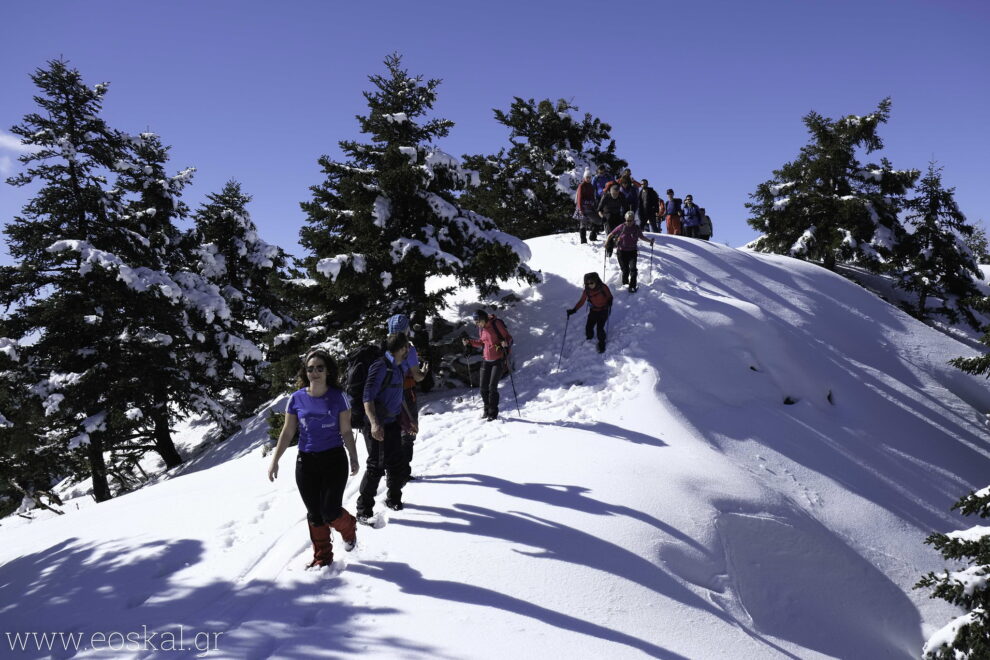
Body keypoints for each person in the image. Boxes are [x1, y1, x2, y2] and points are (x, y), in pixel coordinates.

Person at [268, 349, 359, 568]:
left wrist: (353, 457)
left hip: (334, 460)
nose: (315, 372)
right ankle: (322, 558)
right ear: (305, 372)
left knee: (330, 510)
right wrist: (275, 459)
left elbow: (346, 431)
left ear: (328, 371)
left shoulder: (338, 397)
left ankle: (349, 528)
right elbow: (288, 432)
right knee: (315, 514)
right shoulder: (296, 398)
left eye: (319, 368)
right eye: (310, 369)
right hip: (306, 462)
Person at [356, 332, 412, 521]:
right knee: (376, 467)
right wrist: (374, 423)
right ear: (401, 347)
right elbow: (367, 397)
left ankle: (394, 499)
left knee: (396, 463)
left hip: (393, 423)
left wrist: (407, 420)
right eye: (406, 347)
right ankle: (363, 510)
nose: (408, 350)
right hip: (377, 425)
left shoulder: (397, 367)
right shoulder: (381, 366)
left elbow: (397, 397)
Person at [385, 314, 429, 481]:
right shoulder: (408, 349)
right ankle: (403, 471)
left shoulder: (386, 346)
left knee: (392, 430)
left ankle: (391, 471)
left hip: (388, 395)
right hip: (405, 392)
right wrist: (424, 370)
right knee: (408, 430)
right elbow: (417, 376)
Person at [461, 310, 512, 421]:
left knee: (492, 387)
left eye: (478, 321)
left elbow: (509, 338)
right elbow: (482, 342)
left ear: (483, 319)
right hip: (486, 360)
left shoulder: (496, 324)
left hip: (497, 360)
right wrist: (470, 342)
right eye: (475, 322)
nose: (477, 324)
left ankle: (493, 413)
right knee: (483, 388)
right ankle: (487, 409)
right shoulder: (481, 328)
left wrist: (506, 343)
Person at [606, 211, 654, 292]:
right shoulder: (621, 227)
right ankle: (625, 285)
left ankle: (632, 286)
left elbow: (641, 237)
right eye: (627, 220)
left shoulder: (636, 228)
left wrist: (650, 241)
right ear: (625, 219)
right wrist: (607, 242)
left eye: (631, 220)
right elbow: (611, 234)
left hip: (632, 252)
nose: (629, 222)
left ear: (633, 220)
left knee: (633, 269)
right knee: (625, 270)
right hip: (621, 252)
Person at [567, 272, 613, 353]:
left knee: (600, 328)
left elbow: (610, 296)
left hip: (604, 310)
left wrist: (610, 301)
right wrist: (574, 310)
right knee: (588, 327)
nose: (589, 285)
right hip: (594, 310)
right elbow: (581, 301)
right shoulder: (587, 291)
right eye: (587, 283)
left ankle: (602, 343)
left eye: (591, 283)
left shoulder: (603, 287)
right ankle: (589, 338)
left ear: (596, 281)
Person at [574, 172, 599, 243]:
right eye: (587, 177)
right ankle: (583, 240)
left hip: (590, 206)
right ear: (584, 177)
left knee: (598, 220)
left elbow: (592, 197)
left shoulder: (591, 186)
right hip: (582, 206)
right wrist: (580, 209)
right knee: (583, 222)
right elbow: (579, 198)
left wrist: (594, 204)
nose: (588, 179)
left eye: (589, 177)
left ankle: (593, 236)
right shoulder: (581, 186)